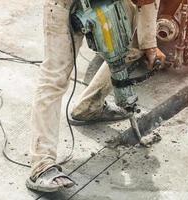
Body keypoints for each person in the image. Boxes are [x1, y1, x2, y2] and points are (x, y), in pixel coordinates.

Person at [26, 0, 166, 193]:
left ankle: (90, 106)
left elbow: (147, 2)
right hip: (64, 5)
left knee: (133, 46)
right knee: (55, 78)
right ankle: (41, 166)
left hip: (110, 3)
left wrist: (149, 44)